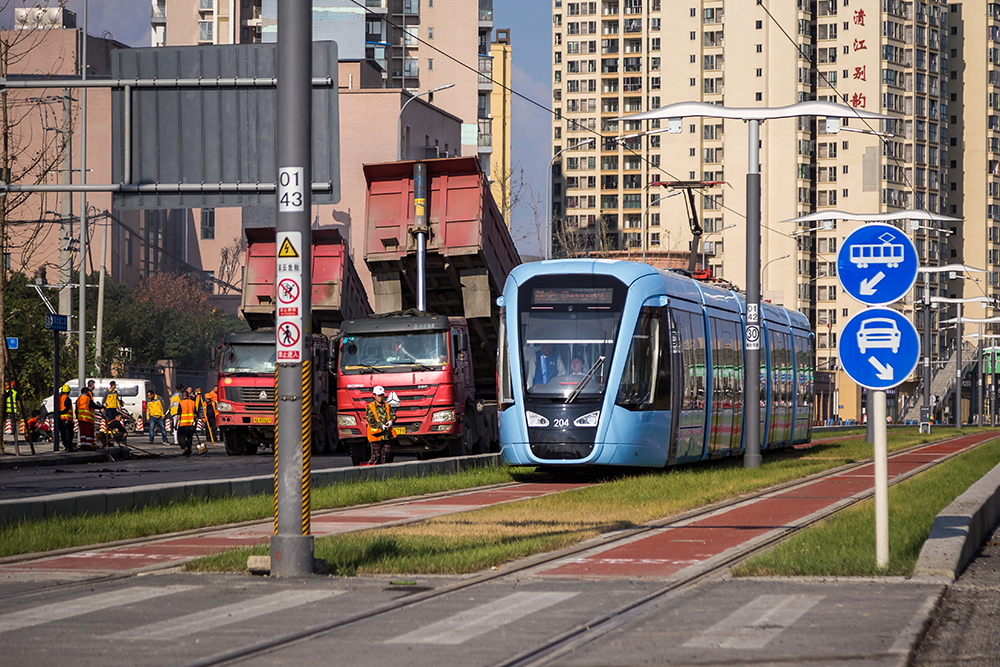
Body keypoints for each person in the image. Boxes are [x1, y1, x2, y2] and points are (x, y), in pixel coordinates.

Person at [365, 385, 397, 465]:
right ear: (374, 396)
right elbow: (371, 421)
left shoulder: (387, 406)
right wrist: (381, 425)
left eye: (382, 395)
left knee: (385, 455)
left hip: (386, 435)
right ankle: (372, 470)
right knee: (375, 456)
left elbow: (393, 415)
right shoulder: (370, 407)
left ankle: (384, 470)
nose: (380, 397)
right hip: (376, 435)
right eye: (378, 395)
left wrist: (391, 421)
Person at [76, 380, 97, 450]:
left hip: (80, 419)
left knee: (83, 433)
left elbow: (76, 409)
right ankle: (88, 446)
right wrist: (102, 406)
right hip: (87, 419)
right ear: (87, 392)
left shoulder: (78, 399)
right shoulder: (88, 399)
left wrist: (77, 417)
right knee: (88, 433)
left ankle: (83, 445)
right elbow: (93, 406)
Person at [176, 390, 198, 457]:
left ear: (182, 396)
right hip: (191, 424)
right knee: (189, 438)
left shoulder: (181, 403)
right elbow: (196, 415)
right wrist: (195, 423)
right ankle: (188, 452)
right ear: (188, 396)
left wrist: (176, 424)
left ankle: (185, 446)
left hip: (183, 424)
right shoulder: (193, 403)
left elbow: (179, 415)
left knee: (180, 437)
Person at [58, 384, 75, 451]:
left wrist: (59, 414)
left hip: (61, 419)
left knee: (63, 434)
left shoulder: (60, 398)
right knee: (69, 434)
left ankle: (65, 445)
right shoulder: (67, 399)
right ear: (69, 391)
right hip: (67, 419)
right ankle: (69, 447)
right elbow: (67, 408)